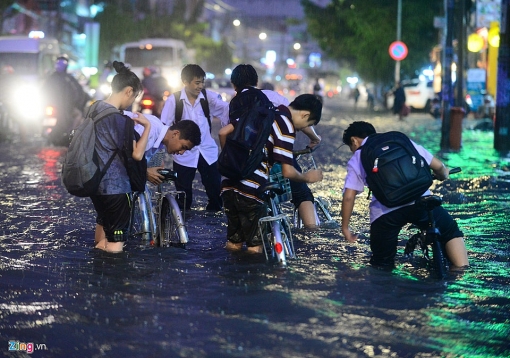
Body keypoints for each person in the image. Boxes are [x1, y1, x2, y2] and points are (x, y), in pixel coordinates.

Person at [220, 64, 323, 254]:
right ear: (305, 115)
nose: (300, 129)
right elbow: (287, 172)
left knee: (234, 244)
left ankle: (231, 279)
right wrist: (308, 177)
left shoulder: (261, 113)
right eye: (305, 125)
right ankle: (252, 281)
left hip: (227, 184)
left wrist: (230, 160)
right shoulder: (285, 124)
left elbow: (223, 131)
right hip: (250, 189)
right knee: (255, 248)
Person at [340, 121, 469, 269]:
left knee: (381, 262)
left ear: (353, 140)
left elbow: (349, 196)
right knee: (450, 231)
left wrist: (345, 228)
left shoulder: (358, 156)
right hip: (421, 202)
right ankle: (461, 271)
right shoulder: (400, 140)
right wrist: (443, 174)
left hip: (386, 214)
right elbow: (439, 167)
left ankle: (384, 283)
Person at [91, 61, 151, 254]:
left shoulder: (93, 110)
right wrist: (147, 127)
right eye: (134, 97)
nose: (132, 101)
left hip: (95, 186)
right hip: (117, 188)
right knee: (115, 248)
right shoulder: (122, 121)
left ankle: (96, 278)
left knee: (102, 241)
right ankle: (111, 282)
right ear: (128, 91)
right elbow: (137, 154)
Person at [160, 64, 229, 211]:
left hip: (207, 151)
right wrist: (160, 154)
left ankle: (213, 219)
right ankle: (183, 224)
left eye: (202, 82)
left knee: (215, 191)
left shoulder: (208, 97)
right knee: (183, 196)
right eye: (197, 83)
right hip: (183, 153)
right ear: (185, 81)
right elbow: (164, 126)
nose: (200, 86)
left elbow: (226, 109)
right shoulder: (174, 100)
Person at [124, 111, 202, 185]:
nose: (181, 152)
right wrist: (145, 172)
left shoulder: (160, 139)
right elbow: (120, 156)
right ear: (175, 134)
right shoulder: (151, 130)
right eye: (183, 147)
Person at [41, 55, 91, 145]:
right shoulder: (68, 79)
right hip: (65, 108)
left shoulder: (51, 78)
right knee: (79, 115)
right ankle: (70, 133)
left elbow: (42, 91)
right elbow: (79, 93)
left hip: (61, 107)